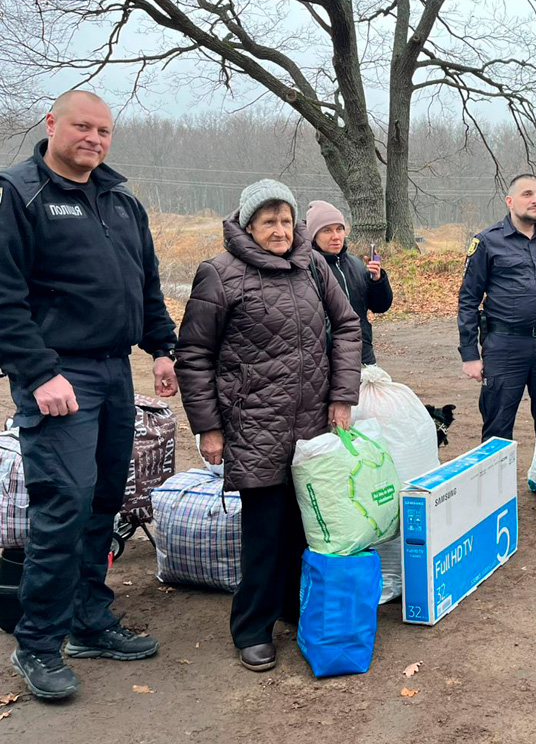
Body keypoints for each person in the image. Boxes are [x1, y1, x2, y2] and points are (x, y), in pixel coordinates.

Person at [0, 90, 178, 701]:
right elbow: (5, 297)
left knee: (105, 497)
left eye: (104, 131)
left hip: (114, 371)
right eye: (83, 127)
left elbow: (144, 279)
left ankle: (88, 623)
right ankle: (38, 646)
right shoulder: (19, 194)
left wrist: (161, 346)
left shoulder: (121, 197)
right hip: (57, 376)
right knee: (63, 505)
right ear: (52, 124)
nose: (94, 139)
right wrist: (37, 371)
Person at [175, 179, 361, 670]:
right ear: (247, 224)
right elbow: (193, 355)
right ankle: (252, 627)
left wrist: (342, 396)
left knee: (306, 523)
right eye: (267, 222)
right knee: (263, 530)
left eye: (285, 220)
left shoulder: (312, 265)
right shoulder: (219, 274)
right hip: (253, 424)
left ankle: (292, 608)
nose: (279, 231)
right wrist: (208, 427)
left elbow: (346, 326)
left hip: (313, 420)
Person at [458, 174, 536, 531]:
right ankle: (491, 507)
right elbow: (468, 300)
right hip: (505, 347)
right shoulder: (488, 243)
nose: (535, 200)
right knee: (498, 428)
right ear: (509, 201)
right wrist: (470, 352)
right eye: (527, 194)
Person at [306, 200, 394, 365]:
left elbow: (380, 306)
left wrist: (377, 279)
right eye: (327, 230)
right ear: (314, 235)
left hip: (363, 354)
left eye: (339, 229)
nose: (336, 236)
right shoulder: (307, 269)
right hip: (327, 360)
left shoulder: (356, 264)